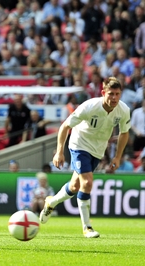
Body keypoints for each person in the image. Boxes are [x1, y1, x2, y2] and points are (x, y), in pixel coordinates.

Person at [40, 77, 131, 238]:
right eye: (111, 94)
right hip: (79, 145)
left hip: (97, 150)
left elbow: (124, 133)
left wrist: (117, 157)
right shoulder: (89, 106)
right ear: (103, 93)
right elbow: (65, 126)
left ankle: (51, 202)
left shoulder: (123, 110)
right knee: (87, 182)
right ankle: (87, 227)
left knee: (75, 186)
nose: (114, 98)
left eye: (117, 94)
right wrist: (60, 151)